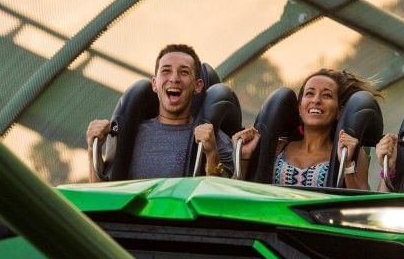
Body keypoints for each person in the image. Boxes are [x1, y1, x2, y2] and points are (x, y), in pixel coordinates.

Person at [86, 44, 233, 181]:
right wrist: (94, 147)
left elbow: (224, 200)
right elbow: (100, 195)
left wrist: (212, 153)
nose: (174, 79)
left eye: (184, 72)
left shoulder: (213, 138)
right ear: (154, 84)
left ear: (198, 85)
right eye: (166, 71)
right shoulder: (130, 135)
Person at [233, 69, 378, 189]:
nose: (316, 100)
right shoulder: (276, 148)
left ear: (339, 112)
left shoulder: (351, 152)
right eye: (309, 93)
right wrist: (244, 157)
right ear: (300, 108)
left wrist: (347, 165)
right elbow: (237, 193)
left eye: (327, 95)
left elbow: (362, 204)